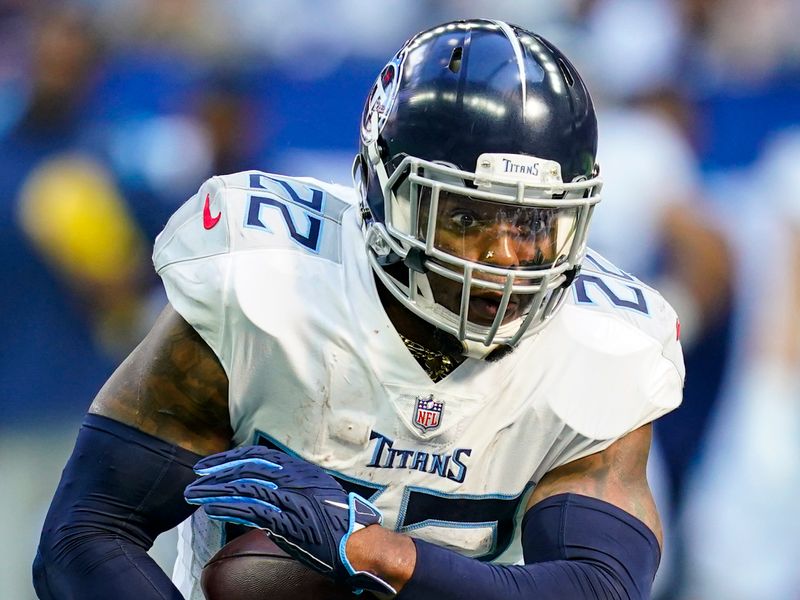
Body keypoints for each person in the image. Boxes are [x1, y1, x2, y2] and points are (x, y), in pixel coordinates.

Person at [33, 19, 684, 600]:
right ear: (382, 191)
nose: (508, 256)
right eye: (465, 215)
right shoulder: (271, 285)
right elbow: (86, 534)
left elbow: (598, 588)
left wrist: (383, 555)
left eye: (536, 223)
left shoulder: (602, 347)